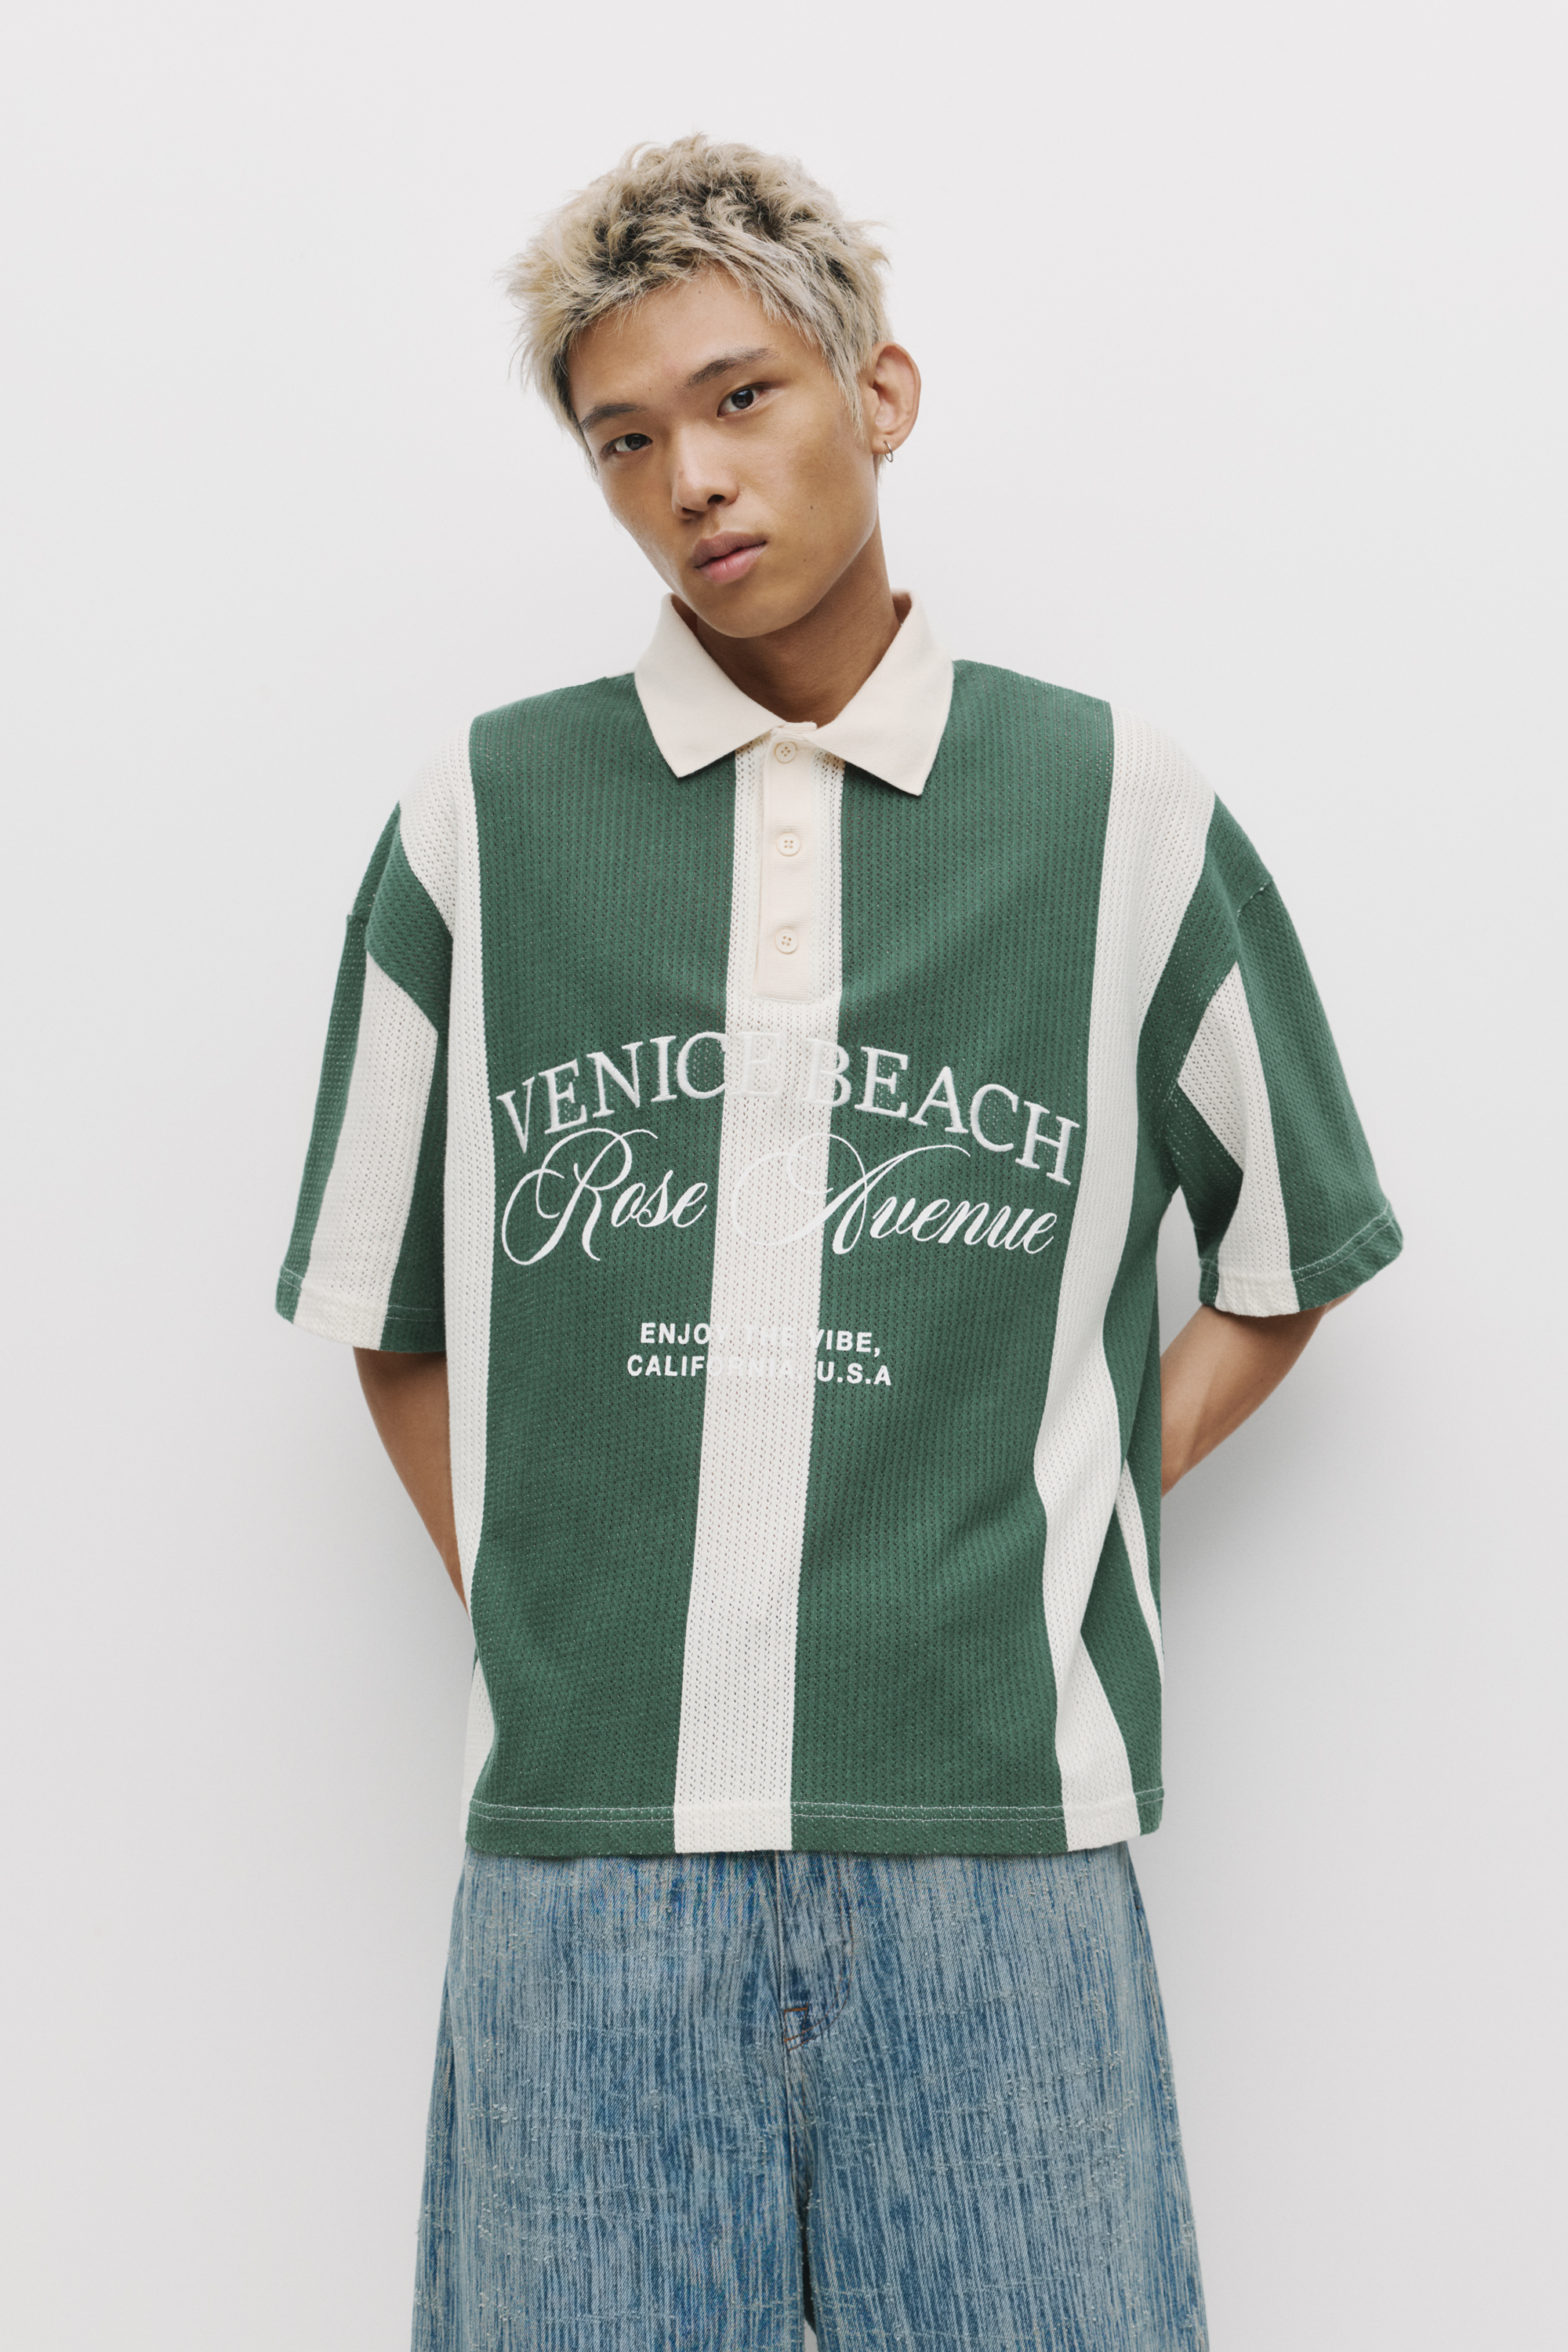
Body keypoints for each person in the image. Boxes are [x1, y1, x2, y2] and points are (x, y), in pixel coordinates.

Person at [277, 135, 1402, 2350]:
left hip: (1003, 1859)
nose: (691, 478)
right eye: (624, 440)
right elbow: (389, 1315)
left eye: (741, 398)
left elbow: (1289, 1254)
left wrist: (1058, 1500)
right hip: (587, 1873)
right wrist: (551, 1608)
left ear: (877, 393)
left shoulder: (1115, 809)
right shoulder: (481, 820)